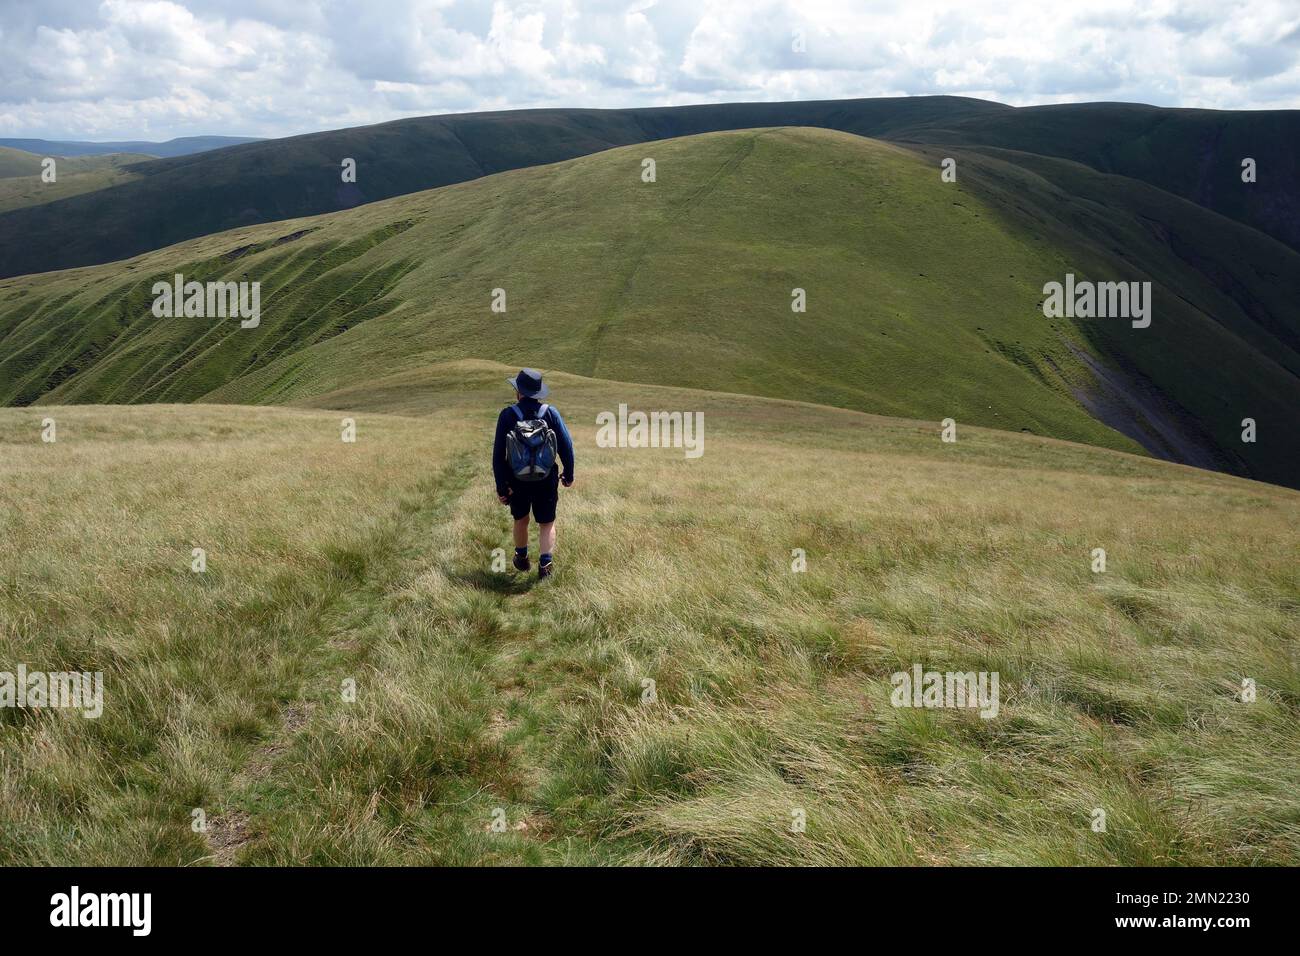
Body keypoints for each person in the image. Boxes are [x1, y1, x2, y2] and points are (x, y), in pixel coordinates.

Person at [492, 368, 575, 579]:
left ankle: (521, 557)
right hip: (545, 479)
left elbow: (498, 455)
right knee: (547, 523)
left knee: (521, 519)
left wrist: (502, 486)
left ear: (518, 391)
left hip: (516, 479)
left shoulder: (507, 415)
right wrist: (568, 473)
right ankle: (545, 565)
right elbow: (566, 446)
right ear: (538, 393)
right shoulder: (550, 413)